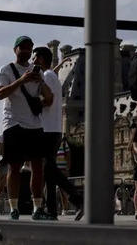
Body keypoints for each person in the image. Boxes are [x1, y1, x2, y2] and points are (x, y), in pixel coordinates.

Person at [0, 35, 49, 219]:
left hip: (34, 123)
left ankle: (37, 208)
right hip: (14, 122)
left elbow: (48, 99)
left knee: (38, 167)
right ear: (15, 49)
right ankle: (14, 208)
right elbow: (0, 94)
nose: (26, 51)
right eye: (23, 47)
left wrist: (41, 83)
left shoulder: (38, 72)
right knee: (15, 167)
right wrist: (22, 81)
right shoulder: (6, 70)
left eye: (29, 48)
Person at [32, 46, 81, 220]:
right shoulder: (51, 76)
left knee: (50, 170)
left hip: (47, 129)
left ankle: (79, 199)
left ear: (43, 59)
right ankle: (52, 210)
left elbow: (48, 100)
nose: (33, 61)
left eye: (35, 57)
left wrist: (34, 104)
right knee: (49, 172)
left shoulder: (47, 76)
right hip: (53, 128)